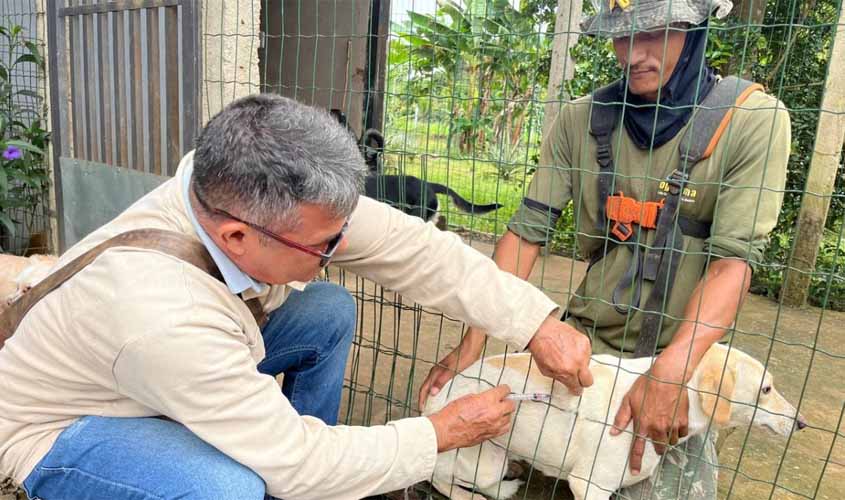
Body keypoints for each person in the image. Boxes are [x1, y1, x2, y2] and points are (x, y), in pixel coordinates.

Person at [0, 94, 593, 500]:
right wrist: (438, 433)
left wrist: (534, 323)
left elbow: (414, 248)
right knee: (230, 487)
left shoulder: (239, 192)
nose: (339, 251)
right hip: (64, 424)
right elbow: (297, 460)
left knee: (326, 311)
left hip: (152, 368)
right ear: (237, 235)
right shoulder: (161, 319)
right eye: (325, 245)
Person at [419, 0, 791, 498]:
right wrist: (471, 346)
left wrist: (673, 373)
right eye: (621, 35)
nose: (633, 53)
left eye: (655, 33)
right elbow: (527, 232)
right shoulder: (581, 119)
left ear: (695, 29)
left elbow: (732, 265)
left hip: (679, 359)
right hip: (580, 355)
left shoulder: (752, 121)